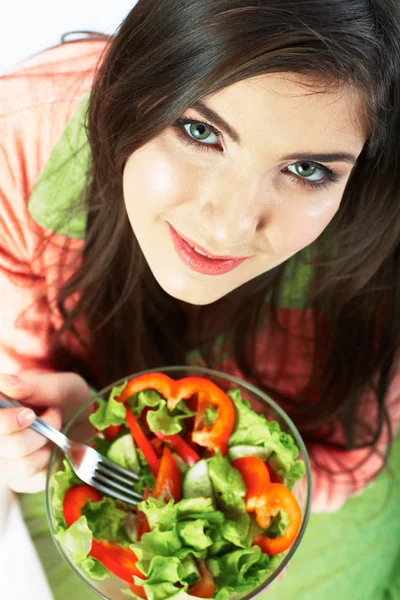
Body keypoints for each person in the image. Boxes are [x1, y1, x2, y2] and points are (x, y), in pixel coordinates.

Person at [0, 1, 400, 598]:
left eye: (308, 169)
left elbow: (352, 446)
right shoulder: (23, 140)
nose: (231, 226)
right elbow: (15, 367)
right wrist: (59, 420)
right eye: (200, 131)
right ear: (133, 91)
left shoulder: (379, 226)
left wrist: (259, 492)